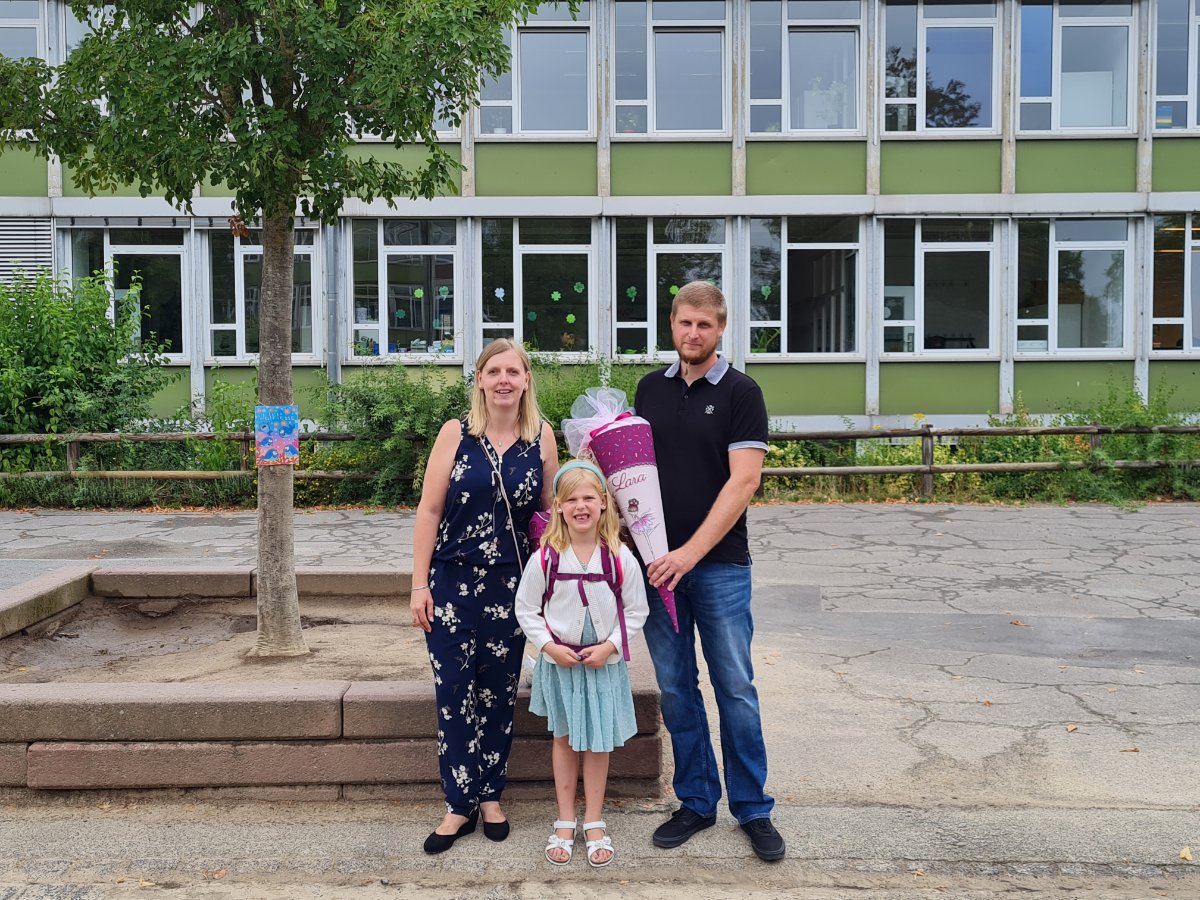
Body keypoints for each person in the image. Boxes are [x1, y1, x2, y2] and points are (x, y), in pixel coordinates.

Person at [633, 281, 785, 862]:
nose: (693, 333)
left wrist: (689, 553)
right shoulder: (650, 389)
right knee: (676, 688)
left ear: (720, 329)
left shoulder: (743, 392)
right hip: (657, 569)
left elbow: (744, 482)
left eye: (704, 324)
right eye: (684, 322)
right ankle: (696, 801)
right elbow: (633, 472)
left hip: (719, 567)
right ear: (671, 324)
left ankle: (753, 808)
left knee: (735, 688)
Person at [410, 338, 558, 855]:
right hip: (452, 583)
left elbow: (548, 515)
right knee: (454, 692)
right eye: (493, 371)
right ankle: (459, 803)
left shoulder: (541, 437)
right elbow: (429, 511)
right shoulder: (455, 433)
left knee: (498, 692)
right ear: (479, 379)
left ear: (526, 380)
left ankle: (491, 795)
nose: (503, 380)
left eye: (512, 371)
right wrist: (418, 584)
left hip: (511, 587)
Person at [515, 460, 649, 868]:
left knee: (597, 741)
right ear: (557, 506)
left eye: (589, 497)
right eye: (571, 499)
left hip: (602, 665)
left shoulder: (620, 557)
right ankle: (565, 819)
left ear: (604, 502)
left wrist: (610, 646)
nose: (581, 506)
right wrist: (548, 647)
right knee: (563, 738)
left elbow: (636, 611)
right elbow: (526, 609)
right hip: (562, 664)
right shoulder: (546, 558)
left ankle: (593, 819)